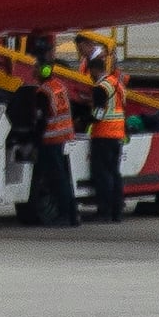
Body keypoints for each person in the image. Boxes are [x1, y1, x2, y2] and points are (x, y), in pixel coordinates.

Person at [21, 54, 82, 228]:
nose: (33, 70)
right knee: (63, 179)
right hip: (62, 138)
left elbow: (41, 120)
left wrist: (33, 142)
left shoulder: (43, 92)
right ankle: (72, 214)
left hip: (50, 140)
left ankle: (65, 215)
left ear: (43, 70)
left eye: (35, 67)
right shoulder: (59, 86)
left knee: (57, 180)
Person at [80, 46, 129, 218]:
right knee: (115, 174)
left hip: (104, 136)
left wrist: (84, 120)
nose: (90, 76)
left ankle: (105, 210)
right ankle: (116, 210)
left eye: (90, 72)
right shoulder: (117, 84)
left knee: (103, 175)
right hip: (118, 135)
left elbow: (99, 114)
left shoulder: (101, 88)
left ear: (94, 69)